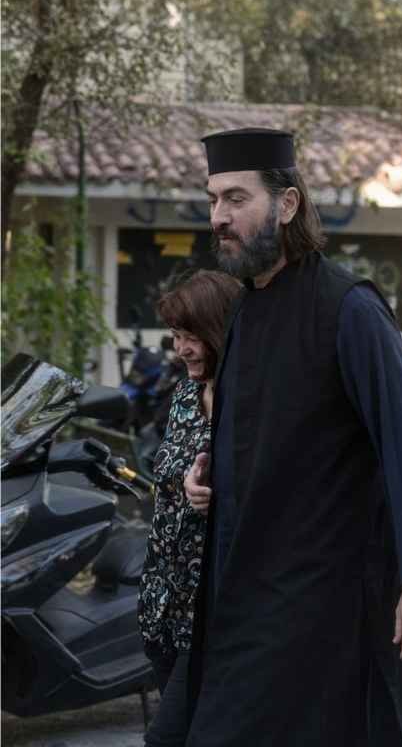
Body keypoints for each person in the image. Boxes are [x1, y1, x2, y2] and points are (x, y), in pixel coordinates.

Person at [183, 128, 402, 747]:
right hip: (244, 591)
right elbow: (270, 432)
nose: (218, 217)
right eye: (213, 200)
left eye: (236, 199)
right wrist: (210, 474)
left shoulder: (349, 308)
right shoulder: (245, 310)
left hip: (326, 603)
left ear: (286, 205)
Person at [137, 269, 241, 747]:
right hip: (164, 601)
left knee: (165, 739)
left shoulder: (250, 403)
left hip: (214, 611)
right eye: (176, 336)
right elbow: (171, 471)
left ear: (220, 330)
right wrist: (183, 482)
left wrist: (214, 492)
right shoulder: (183, 395)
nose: (182, 349)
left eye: (192, 336)